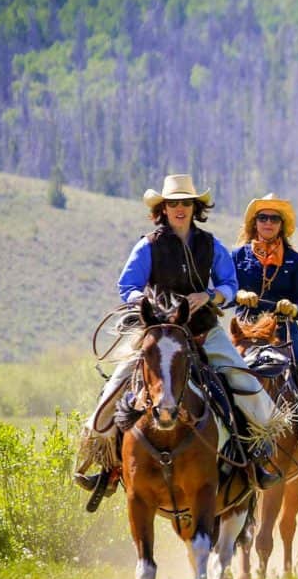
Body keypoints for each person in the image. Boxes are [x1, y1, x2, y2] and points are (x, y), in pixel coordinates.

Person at [73, 174, 279, 500]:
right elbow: (127, 287)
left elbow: (230, 285)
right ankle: (108, 466)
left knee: (245, 382)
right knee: (115, 390)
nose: (179, 208)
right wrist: (148, 303)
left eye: (186, 203)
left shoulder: (212, 245)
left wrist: (209, 296)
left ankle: (256, 458)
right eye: (173, 203)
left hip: (201, 330)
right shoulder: (148, 246)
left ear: (195, 207)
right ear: (163, 209)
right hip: (156, 333)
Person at [233, 194, 298, 465]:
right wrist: (239, 294)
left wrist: (292, 308)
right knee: (216, 370)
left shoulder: (295, 261)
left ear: (282, 225)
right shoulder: (237, 256)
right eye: (262, 217)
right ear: (254, 223)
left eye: (274, 218)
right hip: (246, 330)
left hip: (284, 330)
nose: (268, 223)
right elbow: (221, 287)